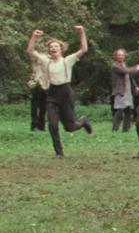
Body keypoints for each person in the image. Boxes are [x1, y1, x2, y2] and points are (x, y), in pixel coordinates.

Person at [26, 26, 93, 157]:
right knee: (52, 124)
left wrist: (82, 32)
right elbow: (30, 50)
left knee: (70, 127)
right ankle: (59, 152)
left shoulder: (67, 60)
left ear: (61, 49)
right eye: (51, 47)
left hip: (66, 93)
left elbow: (84, 49)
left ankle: (83, 121)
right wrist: (34, 37)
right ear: (49, 50)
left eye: (56, 46)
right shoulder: (46, 61)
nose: (53, 48)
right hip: (52, 94)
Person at [110, 49, 139, 132]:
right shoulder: (115, 66)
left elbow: (129, 77)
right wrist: (135, 68)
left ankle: (126, 129)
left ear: (124, 56)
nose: (120, 56)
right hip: (120, 91)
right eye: (119, 55)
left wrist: (135, 86)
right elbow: (124, 71)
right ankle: (115, 129)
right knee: (119, 110)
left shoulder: (124, 64)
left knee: (128, 110)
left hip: (128, 91)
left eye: (122, 55)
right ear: (115, 56)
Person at [28, 57, 48, 132]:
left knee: (43, 108)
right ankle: (34, 126)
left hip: (46, 87)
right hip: (37, 86)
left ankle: (41, 127)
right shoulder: (34, 67)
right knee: (35, 107)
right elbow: (31, 79)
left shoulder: (47, 66)